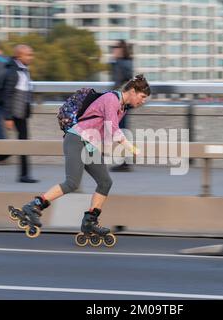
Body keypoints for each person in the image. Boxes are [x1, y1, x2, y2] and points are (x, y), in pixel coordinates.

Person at [12, 75, 151, 236]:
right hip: (77, 139)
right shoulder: (111, 99)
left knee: (105, 182)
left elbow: (107, 132)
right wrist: (131, 149)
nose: (143, 101)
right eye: (142, 97)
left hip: (90, 145)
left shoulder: (122, 108)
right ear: (133, 91)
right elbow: (113, 129)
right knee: (72, 183)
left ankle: (90, 222)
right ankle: (34, 206)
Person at [0, 44, 38, 183]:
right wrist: (7, 117)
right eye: (28, 54)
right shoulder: (13, 72)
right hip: (15, 113)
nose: (31, 57)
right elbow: (7, 95)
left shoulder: (23, 69)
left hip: (21, 111)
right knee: (24, 143)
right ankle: (24, 175)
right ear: (19, 56)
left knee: (22, 142)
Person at [109, 40, 134, 172]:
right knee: (123, 130)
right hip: (127, 101)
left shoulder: (119, 64)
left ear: (120, 50)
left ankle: (125, 162)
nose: (113, 50)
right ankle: (126, 161)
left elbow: (117, 83)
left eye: (115, 48)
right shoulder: (128, 63)